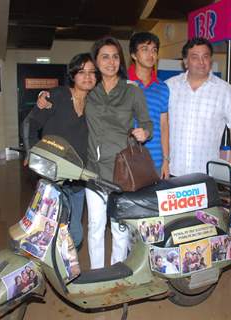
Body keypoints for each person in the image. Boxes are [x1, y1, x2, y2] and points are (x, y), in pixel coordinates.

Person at [84, 37, 152, 269]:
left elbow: (147, 123)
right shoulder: (88, 89)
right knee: (95, 226)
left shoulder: (132, 91)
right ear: (96, 61)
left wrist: (145, 133)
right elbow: (67, 97)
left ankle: (117, 272)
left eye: (115, 56)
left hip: (121, 172)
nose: (111, 62)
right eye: (105, 56)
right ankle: (97, 273)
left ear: (120, 60)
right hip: (92, 171)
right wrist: (45, 97)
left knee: (119, 228)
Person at [23, 53, 98, 249]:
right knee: (48, 229)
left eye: (92, 72)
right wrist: (31, 151)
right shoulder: (57, 96)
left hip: (78, 178)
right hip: (53, 177)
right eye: (82, 72)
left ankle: (64, 268)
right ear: (73, 75)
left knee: (75, 233)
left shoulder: (95, 104)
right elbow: (30, 123)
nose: (87, 76)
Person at [165, 37, 231, 176]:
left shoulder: (225, 91)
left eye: (205, 57)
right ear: (185, 62)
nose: (201, 62)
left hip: (207, 174)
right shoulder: (169, 87)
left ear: (211, 60)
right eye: (195, 57)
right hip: (172, 171)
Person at [128, 32, 170, 178]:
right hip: (127, 160)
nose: (151, 54)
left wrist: (166, 160)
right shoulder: (121, 83)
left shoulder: (162, 87)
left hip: (156, 162)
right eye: (145, 49)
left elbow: (164, 126)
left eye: (154, 50)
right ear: (133, 54)